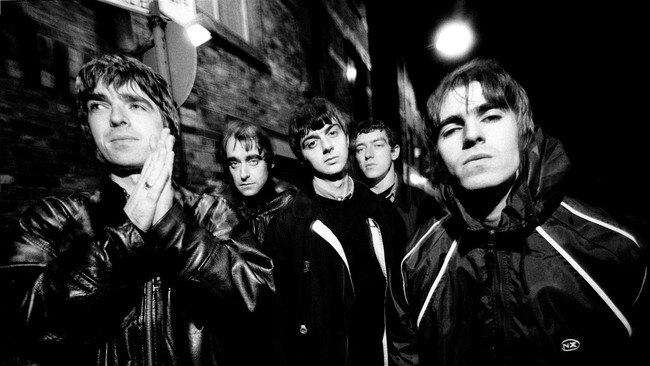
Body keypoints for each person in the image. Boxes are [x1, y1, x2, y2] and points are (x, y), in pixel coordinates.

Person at [0, 53, 274, 366]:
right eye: (99, 105)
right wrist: (128, 231)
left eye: (135, 104)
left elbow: (261, 310)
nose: (116, 117)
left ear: (167, 126)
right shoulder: (53, 218)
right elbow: (21, 329)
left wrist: (173, 227)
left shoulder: (212, 212)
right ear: (88, 127)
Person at [389, 58, 648, 365]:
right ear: (438, 153)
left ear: (523, 131)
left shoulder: (611, 249)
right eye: (452, 128)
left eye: (490, 116)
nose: (471, 135)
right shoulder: (414, 266)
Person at [265, 97, 406, 366]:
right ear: (302, 156)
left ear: (346, 137)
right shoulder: (287, 227)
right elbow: (279, 323)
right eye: (312, 142)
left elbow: (402, 309)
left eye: (332, 133)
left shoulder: (383, 215)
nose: (327, 147)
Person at [354, 118, 443, 238]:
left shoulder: (424, 205)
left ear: (394, 152)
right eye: (360, 149)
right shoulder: (353, 207)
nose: (368, 154)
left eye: (377, 145)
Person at [215, 122, 296, 245]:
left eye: (253, 161)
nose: (243, 174)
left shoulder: (289, 206)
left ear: (271, 162)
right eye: (234, 163)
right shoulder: (218, 210)